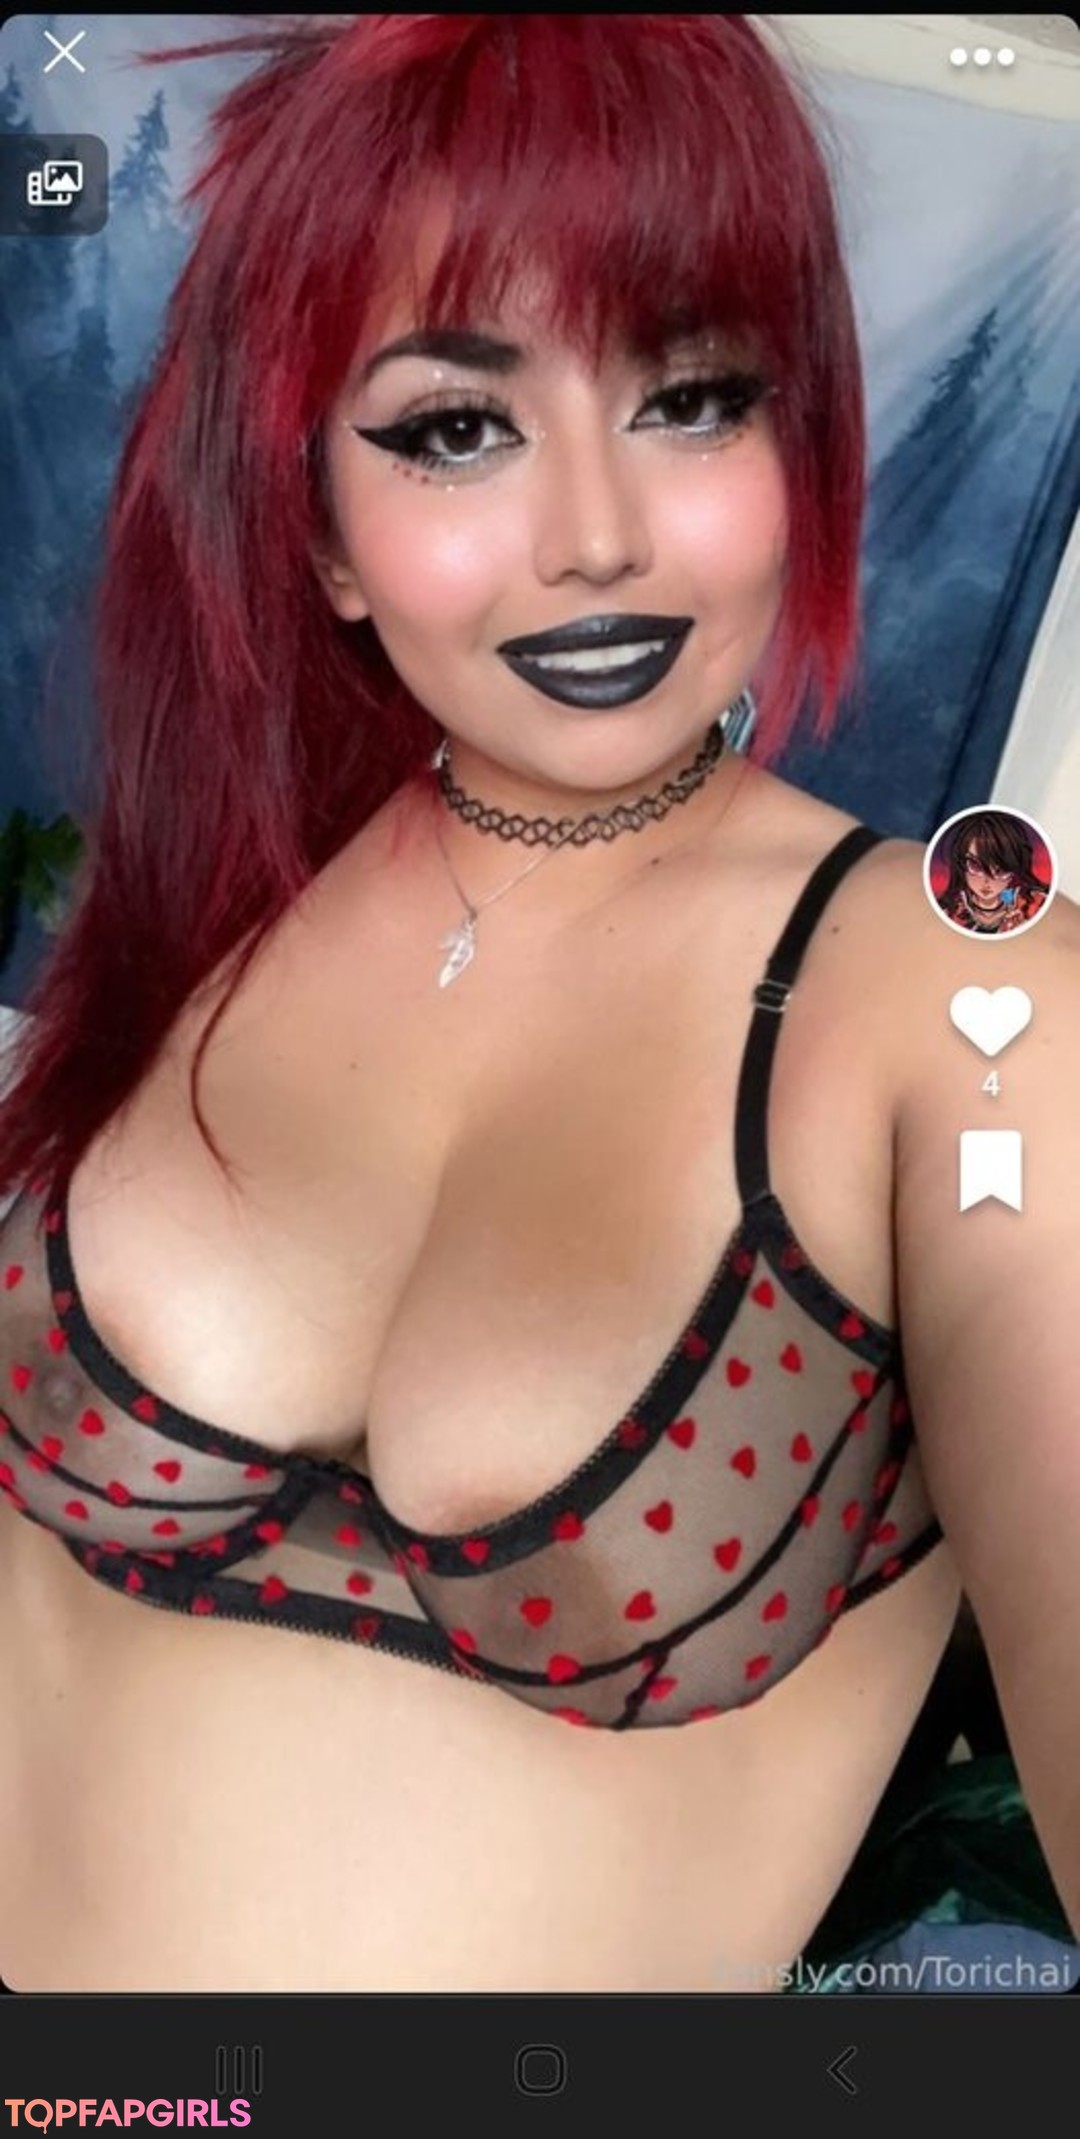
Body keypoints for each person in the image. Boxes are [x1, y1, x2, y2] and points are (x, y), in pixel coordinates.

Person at [0, 13, 1077, 1996]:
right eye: (454, 426)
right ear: (318, 530)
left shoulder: (965, 997)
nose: (597, 530)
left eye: (693, 397)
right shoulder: (226, 899)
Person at [935, 811, 1052, 936]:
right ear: (961, 863)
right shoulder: (949, 910)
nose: (987, 881)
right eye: (975, 865)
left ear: (1013, 870)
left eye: (1000, 870)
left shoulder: (1033, 904)